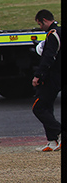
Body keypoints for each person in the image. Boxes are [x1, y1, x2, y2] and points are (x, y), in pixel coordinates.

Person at [32, 9, 61, 151]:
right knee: (47, 107)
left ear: (44, 21)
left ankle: (58, 131)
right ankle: (52, 141)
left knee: (38, 107)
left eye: (40, 24)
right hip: (57, 76)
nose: (40, 28)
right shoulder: (59, 31)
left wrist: (38, 75)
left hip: (53, 76)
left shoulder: (52, 34)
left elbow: (48, 57)